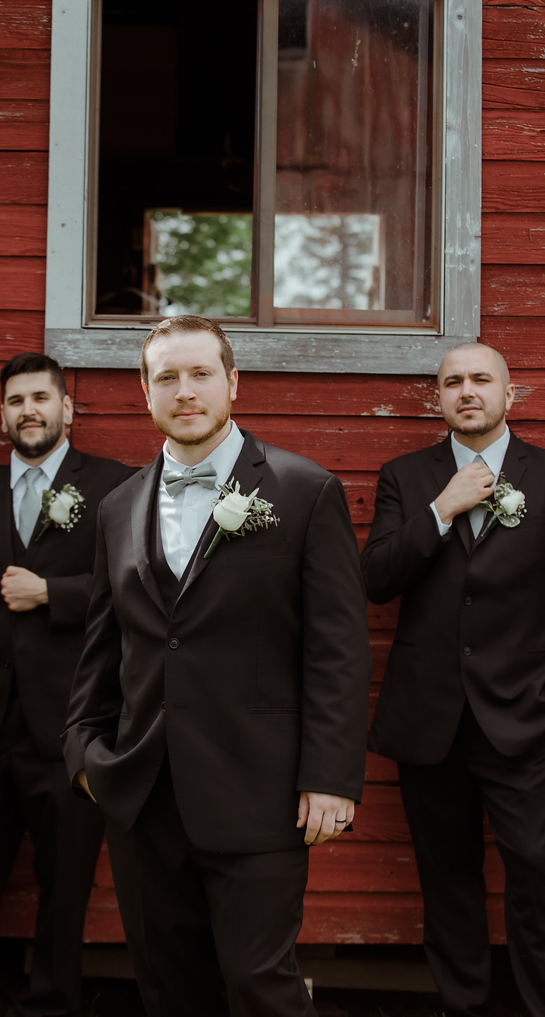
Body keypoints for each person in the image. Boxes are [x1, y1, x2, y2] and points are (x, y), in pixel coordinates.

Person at [63, 315, 371, 1017]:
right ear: (145, 392)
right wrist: (84, 753)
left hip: (258, 792)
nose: (185, 389)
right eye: (166, 376)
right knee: (170, 992)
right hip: (142, 793)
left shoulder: (303, 491)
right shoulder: (117, 508)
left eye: (201, 373)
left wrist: (329, 776)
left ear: (233, 382)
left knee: (261, 985)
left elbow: (338, 648)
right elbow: (103, 647)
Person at [360, 342, 545, 1017]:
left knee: (533, 870)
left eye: (480, 380)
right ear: (437, 399)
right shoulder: (406, 478)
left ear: (511, 394)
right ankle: (462, 1005)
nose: (466, 391)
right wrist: (441, 509)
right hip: (429, 720)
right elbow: (376, 580)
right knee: (446, 882)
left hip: (523, 718)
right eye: (452, 382)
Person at [0, 352, 134, 1016]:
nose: (29, 411)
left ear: (67, 408)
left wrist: (55, 592)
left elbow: (139, 590)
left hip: (71, 730)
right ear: (2, 414)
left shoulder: (115, 487)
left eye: (41, 398)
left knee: (65, 888)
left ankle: (51, 1005)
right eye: (16, 401)